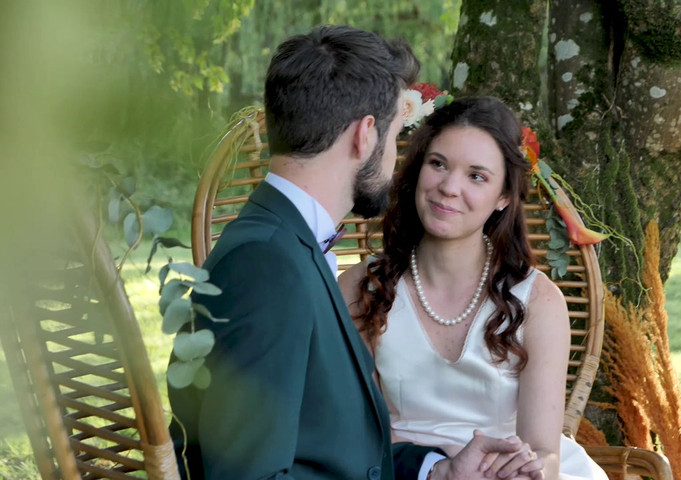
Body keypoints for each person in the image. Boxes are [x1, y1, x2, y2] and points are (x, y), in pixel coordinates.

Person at [168, 26, 543, 480]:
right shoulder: (266, 264)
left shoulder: (289, 244)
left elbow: (327, 447)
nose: (393, 156)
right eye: (391, 135)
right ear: (366, 135)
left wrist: (438, 472)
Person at [338, 97, 609, 480]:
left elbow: (544, 451)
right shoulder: (362, 287)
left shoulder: (539, 301)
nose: (448, 187)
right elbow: (352, 428)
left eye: (476, 176)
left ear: (503, 197)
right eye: (438, 164)